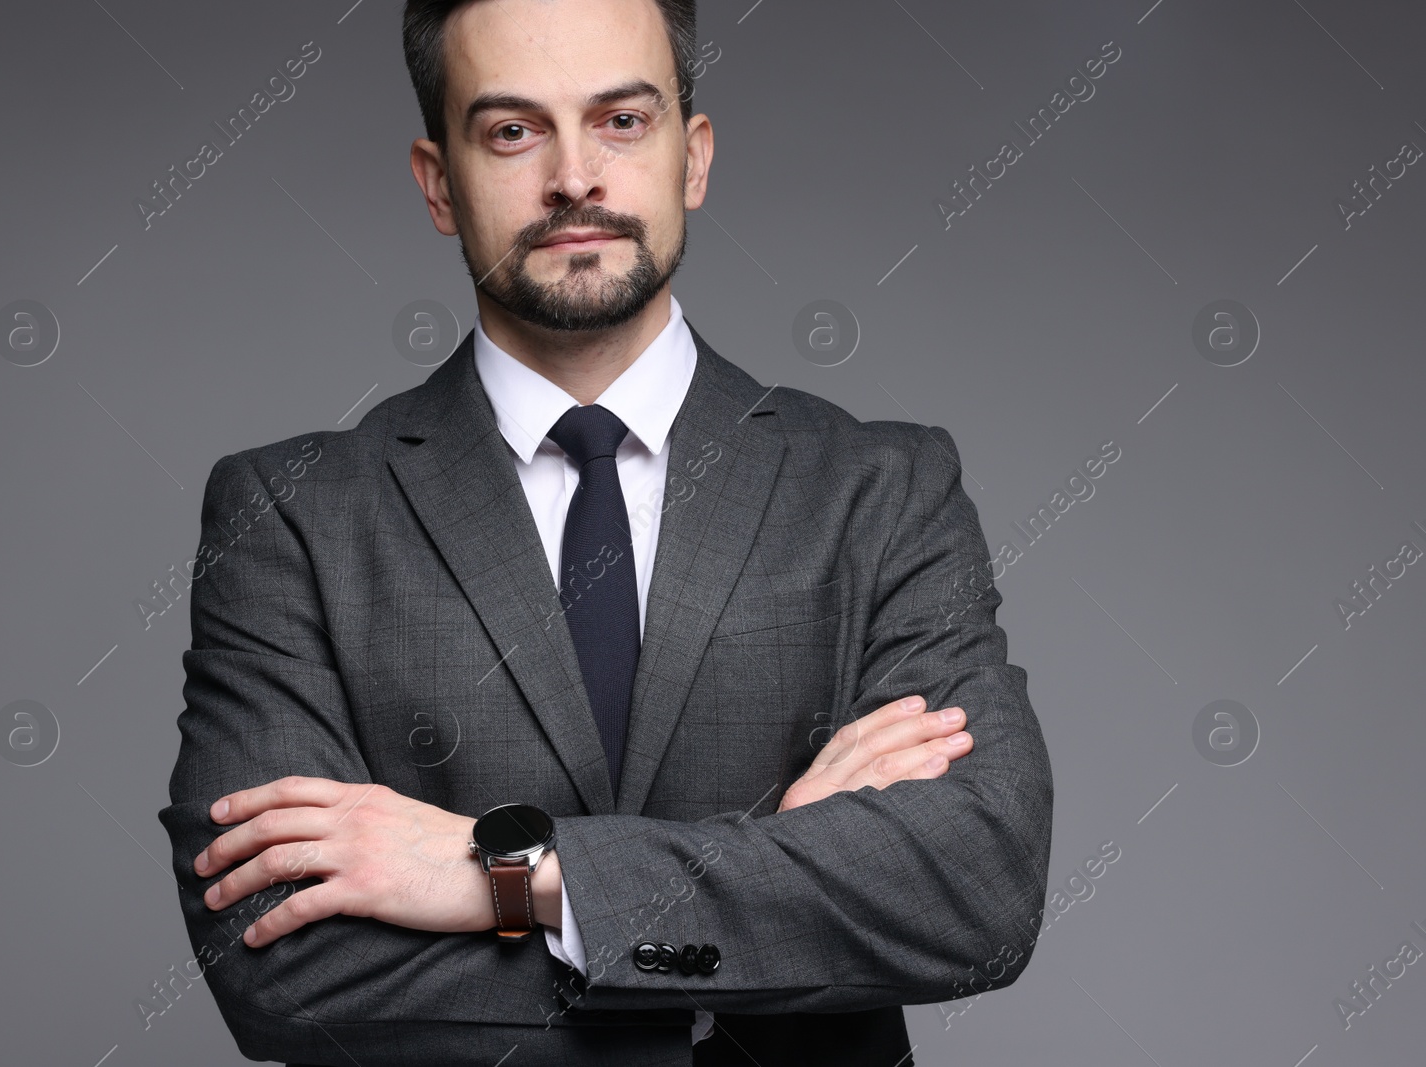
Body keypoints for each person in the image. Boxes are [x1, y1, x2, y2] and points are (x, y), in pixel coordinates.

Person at [157, 1, 1053, 1063]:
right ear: (438, 180)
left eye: (621, 120)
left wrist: (502, 873)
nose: (574, 176)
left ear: (694, 156)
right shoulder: (292, 516)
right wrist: (773, 887)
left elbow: (976, 888)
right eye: (511, 131)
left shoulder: (881, 489)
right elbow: (280, 973)